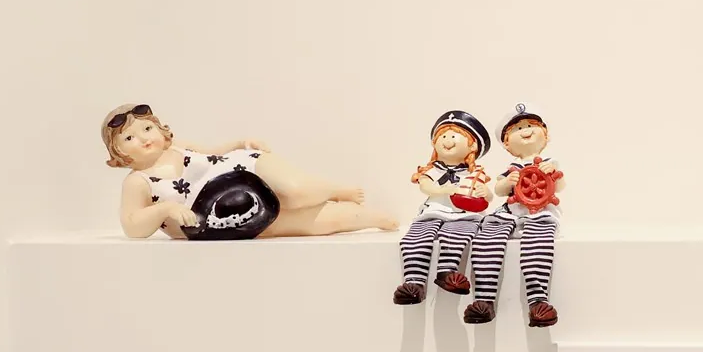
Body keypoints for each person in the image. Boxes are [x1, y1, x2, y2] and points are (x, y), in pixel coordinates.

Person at [102, 103, 392, 241]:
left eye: (147, 128)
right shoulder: (138, 182)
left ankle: (333, 190)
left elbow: (212, 152)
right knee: (303, 223)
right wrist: (165, 209)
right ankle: (367, 218)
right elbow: (132, 227)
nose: (143, 138)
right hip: (229, 216)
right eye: (129, 138)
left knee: (295, 192)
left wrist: (239, 144)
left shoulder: (178, 148)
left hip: (243, 167)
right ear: (119, 153)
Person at [465, 104, 563, 327]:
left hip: (541, 214)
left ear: (545, 135)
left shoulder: (550, 164)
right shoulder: (512, 169)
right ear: (507, 143)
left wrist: (552, 175)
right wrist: (507, 182)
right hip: (510, 212)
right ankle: (483, 300)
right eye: (518, 129)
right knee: (486, 240)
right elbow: (499, 190)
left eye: (530, 126)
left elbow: (560, 186)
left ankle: (538, 302)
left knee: (538, 245)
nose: (525, 130)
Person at [394, 110, 493, 305]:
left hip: (463, 214)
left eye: (454, 136)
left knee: (457, 237)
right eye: (443, 136)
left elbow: (488, 196)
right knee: (416, 238)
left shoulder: (475, 173)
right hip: (434, 210)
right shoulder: (433, 169)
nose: (447, 141)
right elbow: (425, 186)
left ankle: (447, 272)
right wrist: (442, 189)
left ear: (472, 145)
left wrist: (485, 193)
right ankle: (414, 281)